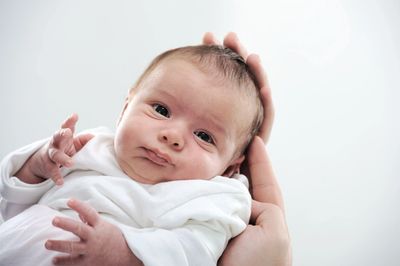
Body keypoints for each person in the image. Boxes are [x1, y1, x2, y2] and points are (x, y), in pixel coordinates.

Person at [0, 41, 267, 265]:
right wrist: (39, 165)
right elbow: (13, 201)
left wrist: (123, 252)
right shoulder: (90, 145)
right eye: (161, 110)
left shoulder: (214, 198)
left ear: (231, 166)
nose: (172, 136)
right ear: (125, 108)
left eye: (204, 136)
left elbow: (193, 252)